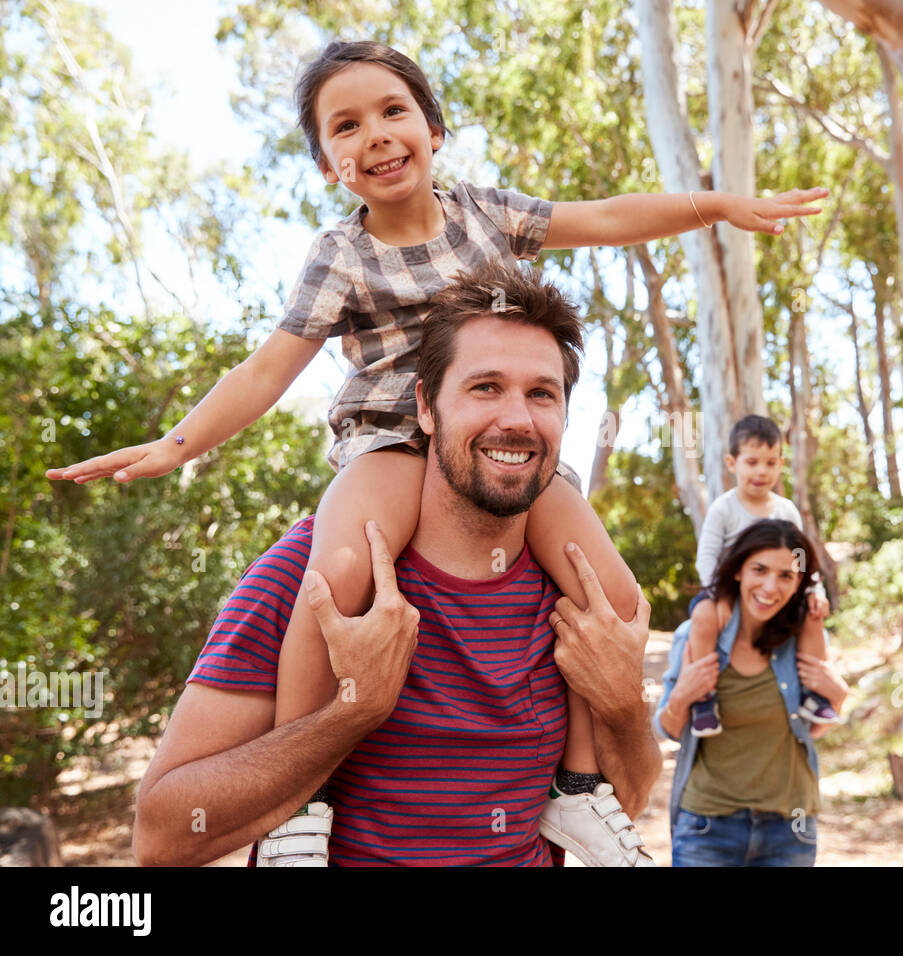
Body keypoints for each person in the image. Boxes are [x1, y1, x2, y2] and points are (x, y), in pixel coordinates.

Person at [45, 40, 826, 863]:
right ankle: (301, 809)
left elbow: (607, 215)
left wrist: (720, 206)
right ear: (325, 164)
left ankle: (577, 791)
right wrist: (177, 445)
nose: (376, 135)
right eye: (345, 125)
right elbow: (269, 367)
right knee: (335, 577)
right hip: (389, 438)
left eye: (393, 112)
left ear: (434, 129)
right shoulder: (339, 255)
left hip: (499, 453)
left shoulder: (485, 215)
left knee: (617, 602)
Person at [131, 262, 661, 866]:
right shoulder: (311, 577)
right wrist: (351, 713)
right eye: (485, 387)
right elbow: (163, 839)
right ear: (427, 408)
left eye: (542, 393)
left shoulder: (574, 598)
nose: (516, 419)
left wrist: (622, 703)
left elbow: (634, 797)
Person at [655, 519, 849, 866]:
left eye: (786, 576)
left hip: (790, 829)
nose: (770, 586)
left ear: (799, 584)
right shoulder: (696, 636)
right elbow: (668, 729)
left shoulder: (802, 640)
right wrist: (683, 696)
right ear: (738, 571)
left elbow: (812, 730)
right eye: (759, 569)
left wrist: (838, 696)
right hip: (706, 827)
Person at [686, 415, 837, 738]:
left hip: (774, 591)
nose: (761, 471)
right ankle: (703, 699)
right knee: (701, 617)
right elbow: (707, 558)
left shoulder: (786, 511)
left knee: (812, 615)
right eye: (752, 462)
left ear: (780, 464)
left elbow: (801, 558)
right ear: (732, 462)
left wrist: (815, 589)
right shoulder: (723, 509)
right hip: (726, 589)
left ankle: (814, 693)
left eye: (770, 463)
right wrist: (720, 596)